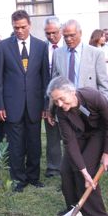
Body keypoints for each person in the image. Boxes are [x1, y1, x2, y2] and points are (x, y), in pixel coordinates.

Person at [46, 76, 108, 216]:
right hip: (80, 134)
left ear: (72, 92)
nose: (59, 104)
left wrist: (107, 153)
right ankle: (73, 209)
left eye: (61, 99)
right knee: (66, 169)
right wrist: (83, 171)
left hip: (101, 131)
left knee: (87, 166)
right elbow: (70, 142)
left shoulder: (92, 96)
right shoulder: (60, 111)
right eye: (55, 101)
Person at [0, 10, 49, 192]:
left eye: (23, 27)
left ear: (30, 25)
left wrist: (46, 105)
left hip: (34, 105)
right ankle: (18, 179)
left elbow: (45, 78)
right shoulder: (3, 47)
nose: (19, 31)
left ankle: (33, 177)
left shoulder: (41, 46)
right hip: (11, 105)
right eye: (16, 27)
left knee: (34, 143)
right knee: (16, 144)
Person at [52, 19, 108, 100]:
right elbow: (54, 82)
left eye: (72, 35)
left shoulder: (96, 54)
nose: (68, 39)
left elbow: (103, 86)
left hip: (88, 104)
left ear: (80, 33)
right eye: (65, 36)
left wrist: (103, 108)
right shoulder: (57, 53)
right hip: (64, 105)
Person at [43, 16, 64, 178]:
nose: (51, 36)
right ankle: (53, 167)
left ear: (61, 30)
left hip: (66, 97)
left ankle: (73, 164)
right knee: (52, 133)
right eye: (47, 33)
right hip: (48, 98)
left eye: (54, 32)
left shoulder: (68, 47)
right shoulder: (41, 49)